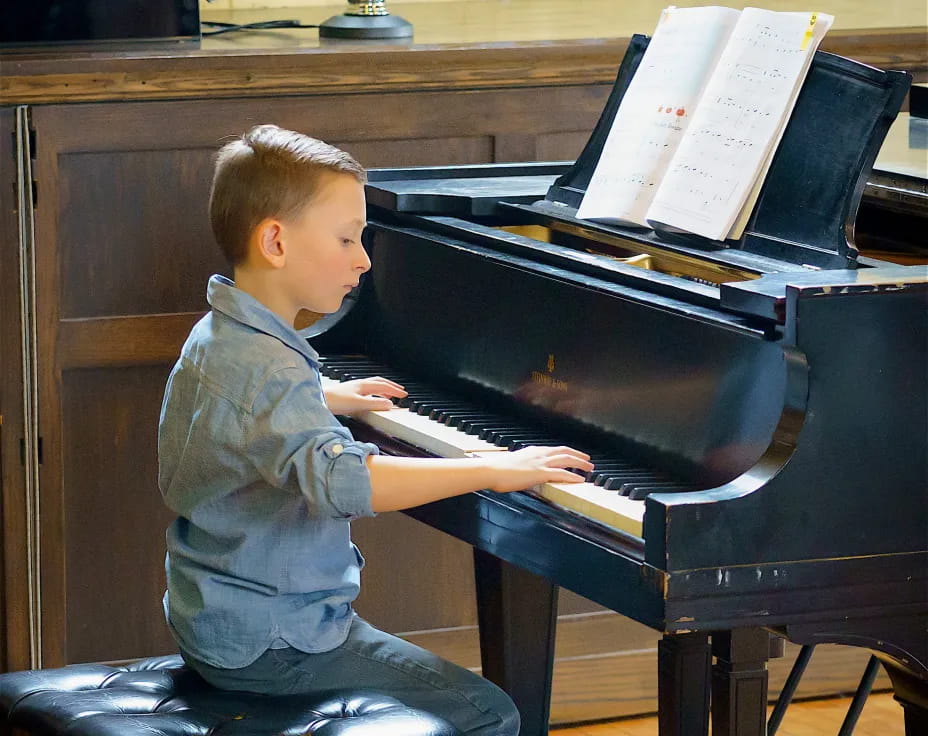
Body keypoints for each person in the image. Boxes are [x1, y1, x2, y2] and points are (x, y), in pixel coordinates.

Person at [157, 123, 593, 736]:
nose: (363, 259)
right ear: (275, 242)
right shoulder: (272, 370)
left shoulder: (223, 334)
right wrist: (494, 467)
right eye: (346, 239)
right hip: (276, 641)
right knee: (487, 714)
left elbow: (243, 414)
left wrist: (323, 395)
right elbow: (348, 483)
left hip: (215, 616)